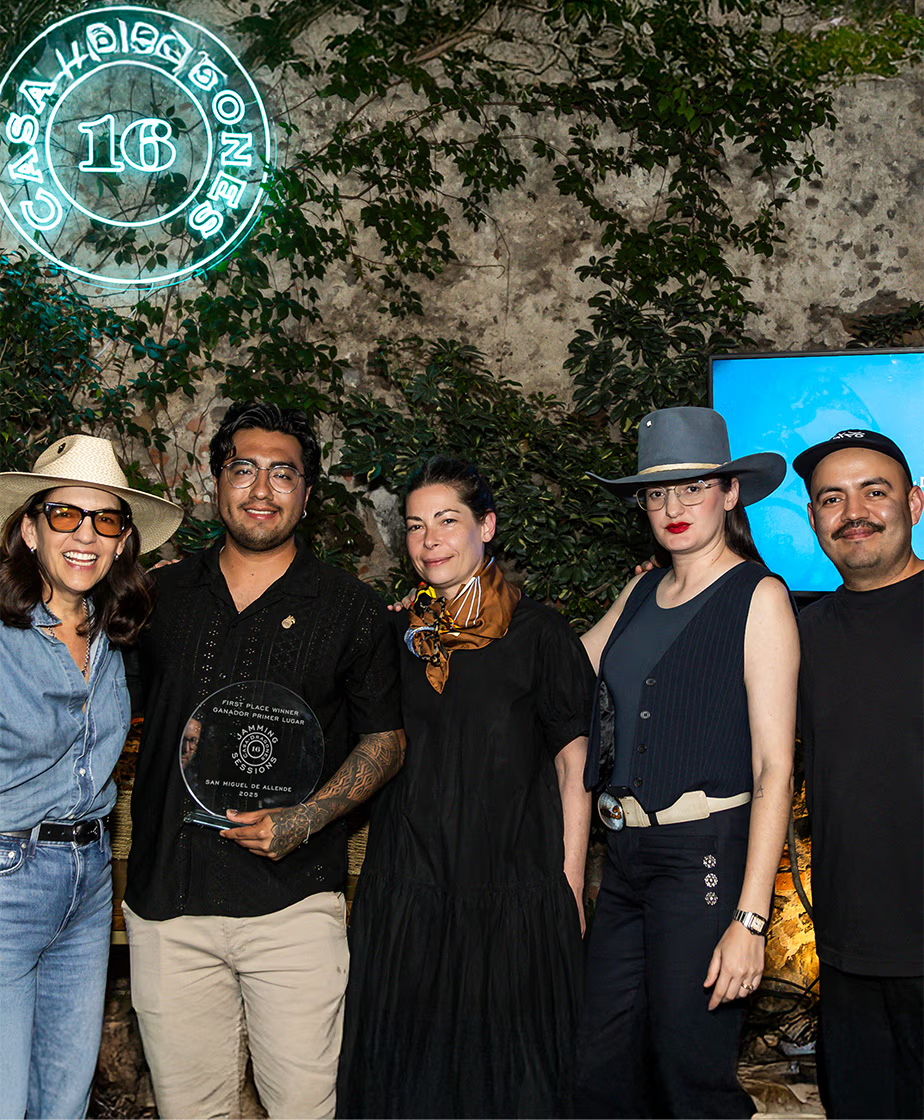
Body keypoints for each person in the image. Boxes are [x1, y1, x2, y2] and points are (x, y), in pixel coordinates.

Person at [122, 401, 404, 1120]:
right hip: (170, 901)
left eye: (284, 474)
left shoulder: (351, 609)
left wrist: (306, 818)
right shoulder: (156, 595)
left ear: (307, 494)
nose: (261, 489)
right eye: (243, 468)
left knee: (304, 1107)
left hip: (294, 904)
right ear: (215, 481)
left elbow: (385, 738)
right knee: (192, 1111)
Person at [337, 456, 595, 1118]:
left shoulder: (540, 632)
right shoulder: (396, 633)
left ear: (487, 525)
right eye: (418, 527)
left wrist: (567, 884)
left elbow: (575, 766)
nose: (430, 541)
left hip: (513, 895)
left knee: (513, 1087)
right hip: (411, 892)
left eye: (448, 521)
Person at [574, 406, 799, 1119]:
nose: (672, 508)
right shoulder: (640, 591)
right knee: (597, 1069)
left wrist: (751, 920)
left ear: (730, 493)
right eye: (656, 492)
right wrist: (448, 613)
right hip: (627, 859)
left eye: (693, 487)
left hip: (704, 857)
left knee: (689, 1072)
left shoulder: (757, 597)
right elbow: (557, 676)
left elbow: (774, 770)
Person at [0, 434, 182, 1119]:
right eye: (65, 515)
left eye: (106, 520)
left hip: (90, 881)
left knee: (65, 1101)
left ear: (123, 540)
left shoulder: (114, 632)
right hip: (6, 883)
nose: (85, 535)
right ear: (29, 527)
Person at [792, 429, 923, 1119]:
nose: (855, 511)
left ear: (916, 503)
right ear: (813, 518)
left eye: (876, 491)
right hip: (848, 954)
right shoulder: (800, 634)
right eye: (831, 498)